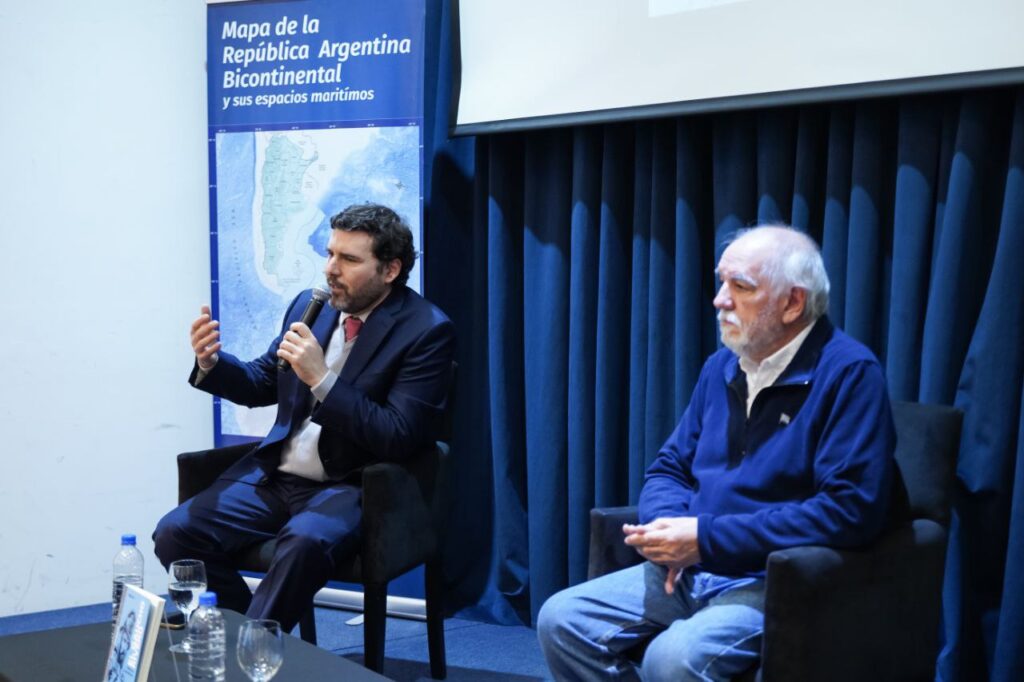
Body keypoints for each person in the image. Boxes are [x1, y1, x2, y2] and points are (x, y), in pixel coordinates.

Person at [537, 225, 896, 681]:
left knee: (671, 658)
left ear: (793, 303)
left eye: (740, 287)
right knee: (562, 620)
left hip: (774, 578)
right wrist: (669, 534)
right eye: (721, 282)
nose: (719, 300)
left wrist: (706, 539)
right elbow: (669, 467)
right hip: (690, 570)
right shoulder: (722, 366)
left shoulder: (849, 374)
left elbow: (849, 510)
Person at [153, 203, 455, 631]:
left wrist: (322, 379)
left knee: (303, 543)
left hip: (354, 483)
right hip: (277, 476)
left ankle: (250, 654)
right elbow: (263, 381)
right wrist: (212, 364)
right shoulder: (311, 305)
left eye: (349, 259)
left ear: (390, 269)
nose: (331, 269)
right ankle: (247, 636)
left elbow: (397, 434)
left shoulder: (425, 330)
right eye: (330, 254)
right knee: (175, 533)